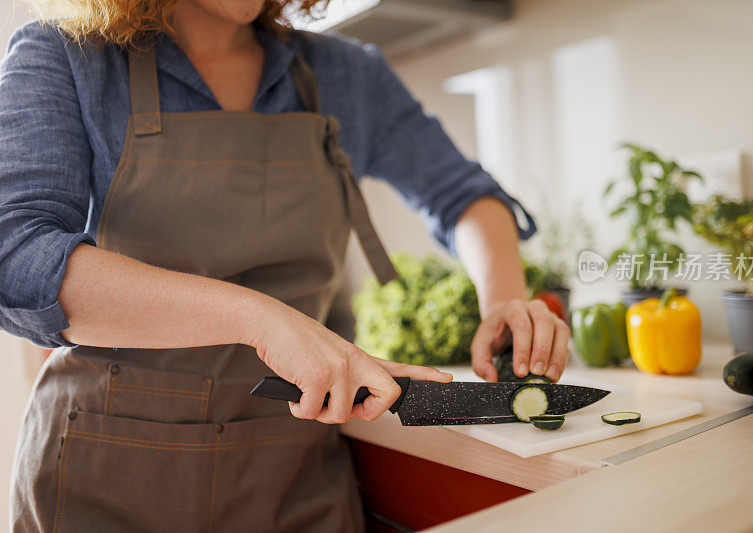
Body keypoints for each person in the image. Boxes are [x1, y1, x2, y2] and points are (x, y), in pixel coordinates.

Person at [0, 0, 571, 530]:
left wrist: (503, 299)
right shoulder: (66, 54)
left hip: (295, 481)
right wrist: (261, 319)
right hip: (106, 478)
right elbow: (16, 255)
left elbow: (462, 194)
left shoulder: (346, 74)